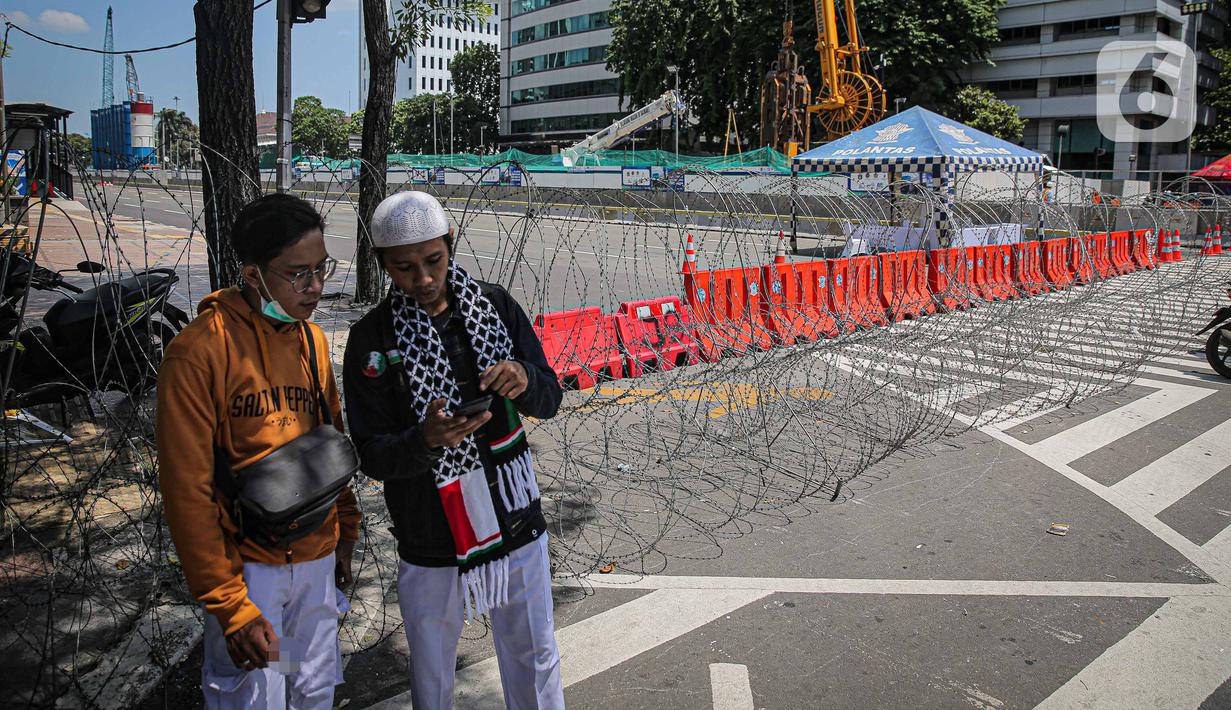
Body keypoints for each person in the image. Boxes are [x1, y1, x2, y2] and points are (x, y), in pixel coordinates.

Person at [343, 191, 564, 709]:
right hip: (429, 533)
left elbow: (550, 397)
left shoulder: (495, 306)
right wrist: (425, 441)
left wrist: (523, 377)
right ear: (382, 265)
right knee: (432, 670)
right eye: (404, 267)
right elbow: (372, 454)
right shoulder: (371, 339)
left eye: (433, 261)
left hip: (514, 519)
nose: (422, 278)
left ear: (451, 245)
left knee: (534, 654)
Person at [157, 193, 360, 709]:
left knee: (311, 687)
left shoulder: (310, 340)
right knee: (255, 695)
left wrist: (345, 533)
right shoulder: (199, 354)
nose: (316, 287)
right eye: (298, 274)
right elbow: (189, 490)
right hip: (252, 575)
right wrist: (231, 606)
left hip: (314, 564)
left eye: (321, 269)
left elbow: (330, 447)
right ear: (252, 274)